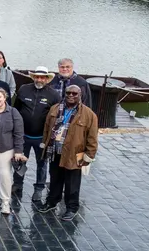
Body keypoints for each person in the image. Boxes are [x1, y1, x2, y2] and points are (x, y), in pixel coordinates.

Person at [37, 85, 99, 221]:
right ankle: (52, 202)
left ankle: (72, 208)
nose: (71, 95)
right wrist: (44, 145)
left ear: (80, 95)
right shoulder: (54, 109)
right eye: (68, 93)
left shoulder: (89, 114)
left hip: (73, 154)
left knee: (72, 184)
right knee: (55, 179)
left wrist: (89, 156)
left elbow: (92, 138)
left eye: (74, 93)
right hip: (55, 151)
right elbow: (47, 129)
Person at [13, 66, 61, 202]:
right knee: (19, 160)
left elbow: (57, 116)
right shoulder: (23, 89)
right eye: (37, 77)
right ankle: (17, 183)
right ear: (33, 77)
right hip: (23, 135)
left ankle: (39, 188)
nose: (39, 79)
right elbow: (16, 109)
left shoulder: (54, 95)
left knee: (42, 164)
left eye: (42, 77)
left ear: (47, 79)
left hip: (41, 137)